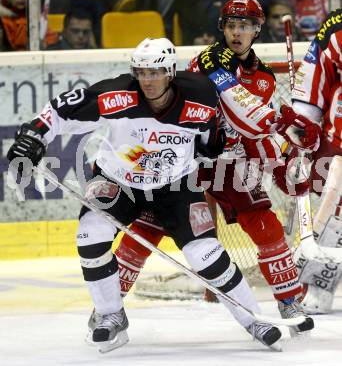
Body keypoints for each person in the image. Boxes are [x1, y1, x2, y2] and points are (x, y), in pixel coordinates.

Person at [7, 37, 283, 353]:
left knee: (204, 253)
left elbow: (212, 139)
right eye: (142, 72)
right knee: (89, 237)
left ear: (170, 72)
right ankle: (111, 316)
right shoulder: (117, 96)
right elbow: (59, 110)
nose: (148, 81)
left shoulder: (200, 95)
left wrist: (218, 144)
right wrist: (33, 135)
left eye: (155, 73)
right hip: (118, 182)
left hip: (176, 186)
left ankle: (253, 319)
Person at [113, 0, 315, 336]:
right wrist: (282, 123)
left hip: (230, 160)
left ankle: (289, 300)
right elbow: (227, 107)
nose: (237, 33)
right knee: (148, 228)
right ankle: (109, 307)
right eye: (232, 25)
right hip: (185, 157)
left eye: (245, 26)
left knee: (265, 225)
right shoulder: (206, 61)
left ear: (256, 31)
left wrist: (281, 159)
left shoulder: (264, 77)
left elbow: (250, 128)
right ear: (223, 28)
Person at [280, 8, 342, 314]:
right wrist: (302, 124)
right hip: (341, 142)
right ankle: (318, 287)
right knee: (336, 216)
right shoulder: (336, 30)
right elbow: (312, 83)